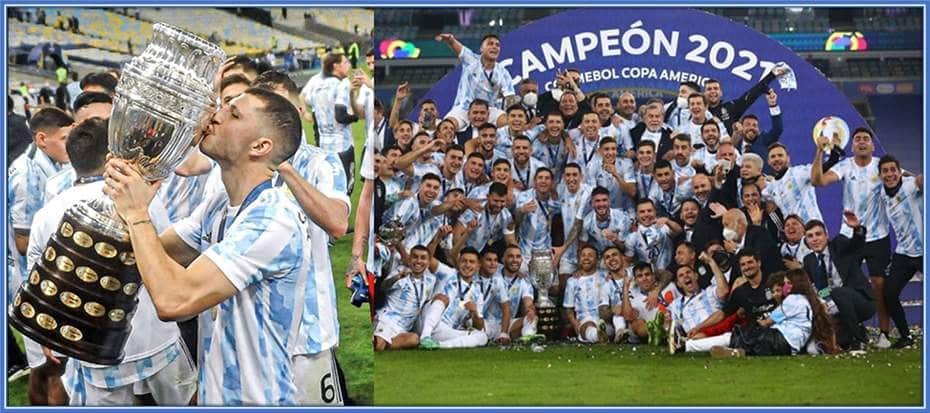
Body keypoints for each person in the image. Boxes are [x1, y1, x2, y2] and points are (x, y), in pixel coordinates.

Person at [102, 88, 311, 404]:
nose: (216, 114)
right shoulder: (219, 205)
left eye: (234, 113)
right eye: (224, 105)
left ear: (260, 146)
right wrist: (139, 170)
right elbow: (147, 257)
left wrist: (137, 214)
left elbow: (175, 298)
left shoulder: (272, 218)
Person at [27, 119, 195, 406]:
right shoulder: (140, 201)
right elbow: (166, 257)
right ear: (111, 156)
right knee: (183, 401)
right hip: (156, 336)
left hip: (95, 346)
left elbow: (39, 287)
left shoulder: (47, 214)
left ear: (72, 159)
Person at [811, 128, 894, 348]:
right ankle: (854, 330)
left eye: (866, 139)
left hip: (877, 236)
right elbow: (819, 181)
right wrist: (820, 152)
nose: (862, 142)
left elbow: (904, 179)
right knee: (845, 285)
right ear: (853, 146)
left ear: (873, 145)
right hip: (849, 236)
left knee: (879, 284)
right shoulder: (845, 165)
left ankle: (884, 333)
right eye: (857, 140)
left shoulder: (881, 165)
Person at [711, 269, 837, 357]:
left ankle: (693, 346)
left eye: (787, 284)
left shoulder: (792, 300)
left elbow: (766, 323)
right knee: (756, 342)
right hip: (794, 345)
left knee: (745, 334)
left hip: (782, 339)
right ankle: (737, 352)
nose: (783, 289)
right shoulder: (813, 299)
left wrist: (758, 322)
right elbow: (827, 322)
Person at [801, 216, 875, 351]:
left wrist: (857, 229)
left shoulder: (839, 245)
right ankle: (854, 334)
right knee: (833, 343)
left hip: (862, 301)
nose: (815, 239)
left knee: (838, 292)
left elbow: (857, 244)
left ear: (826, 235)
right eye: (810, 236)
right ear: (806, 241)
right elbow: (819, 289)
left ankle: (857, 341)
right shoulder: (809, 261)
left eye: (818, 234)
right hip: (836, 307)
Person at [877, 155, 922, 349]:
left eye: (893, 170)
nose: (889, 174)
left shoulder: (911, 185)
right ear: (880, 175)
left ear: (899, 171)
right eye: (885, 171)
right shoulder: (881, 195)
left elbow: (921, 180)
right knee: (889, 293)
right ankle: (905, 336)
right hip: (904, 253)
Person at [436, 33, 516, 129]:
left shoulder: (503, 73)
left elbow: (510, 97)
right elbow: (456, 45)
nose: (494, 47)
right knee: (445, 127)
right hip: (464, 109)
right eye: (490, 44)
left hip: (488, 111)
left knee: (510, 123)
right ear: (481, 49)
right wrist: (450, 39)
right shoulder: (471, 59)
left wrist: (512, 115)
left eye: (497, 45)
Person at [417, 247, 489, 349]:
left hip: (445, 330)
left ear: (478, 266)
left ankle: (440, 345)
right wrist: (437, 238)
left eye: (472, 262)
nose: (467, 265)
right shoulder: (448, 273)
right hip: (426, 322)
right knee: (442, 298)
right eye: (464, 261)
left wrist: (474, 312)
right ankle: (425, 337)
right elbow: (428, 257)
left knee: (482, 336)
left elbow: (479, 326)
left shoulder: (478, 294)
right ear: (458, 262)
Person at [306, 53, 357, 197]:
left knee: (328, 189)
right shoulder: (342, 85)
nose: (349, 65)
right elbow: (340, 116)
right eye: (346, 62)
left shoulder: (316, 87)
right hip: (342, 146)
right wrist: (355, 116)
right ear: (336, 66)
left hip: (324, 146)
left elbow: (313, 110)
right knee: (345, 190)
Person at [374, 245, 439, 351]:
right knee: (379, 346)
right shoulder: (400, 271)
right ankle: (380, 342)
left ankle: (384, 343)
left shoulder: (431, 280)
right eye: (415, 257)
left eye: (423, 258)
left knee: (414, 339)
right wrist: (398, 277)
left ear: (428, 262)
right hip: (387, 320)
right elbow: (383, 287)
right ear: (409, 259)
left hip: (404, 328)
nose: (418, 261)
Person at [762, 142, 823, 224]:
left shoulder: (799, 172)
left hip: (813, 231)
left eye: (780, 155)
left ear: (788, 158)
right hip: (793, 233)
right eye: (773, 157)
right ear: (769, 161)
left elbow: (820, 169)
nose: (776, 159)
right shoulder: (770, 188)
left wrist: (827, 154)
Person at [563, 245, 607, 343]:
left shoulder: (605, 275)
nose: (586, 258)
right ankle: (598, 336)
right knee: (588, 327)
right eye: (583, 255)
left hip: (606, 317)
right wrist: (574, 324)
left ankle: (605, 333)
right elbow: (568, 308)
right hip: (585, 319)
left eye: (590, 255)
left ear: (597, 259)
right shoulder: (572, 281)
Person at [623, 198, 682, 270]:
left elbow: (679, 231)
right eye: (642, 212)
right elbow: (628, 260)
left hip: (669, 271)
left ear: (655, 212)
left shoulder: (664, 226)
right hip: (648, 276)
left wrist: (668, 221)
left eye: (649, 211)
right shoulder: (632, 237)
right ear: (637, 215)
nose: (646, 214)